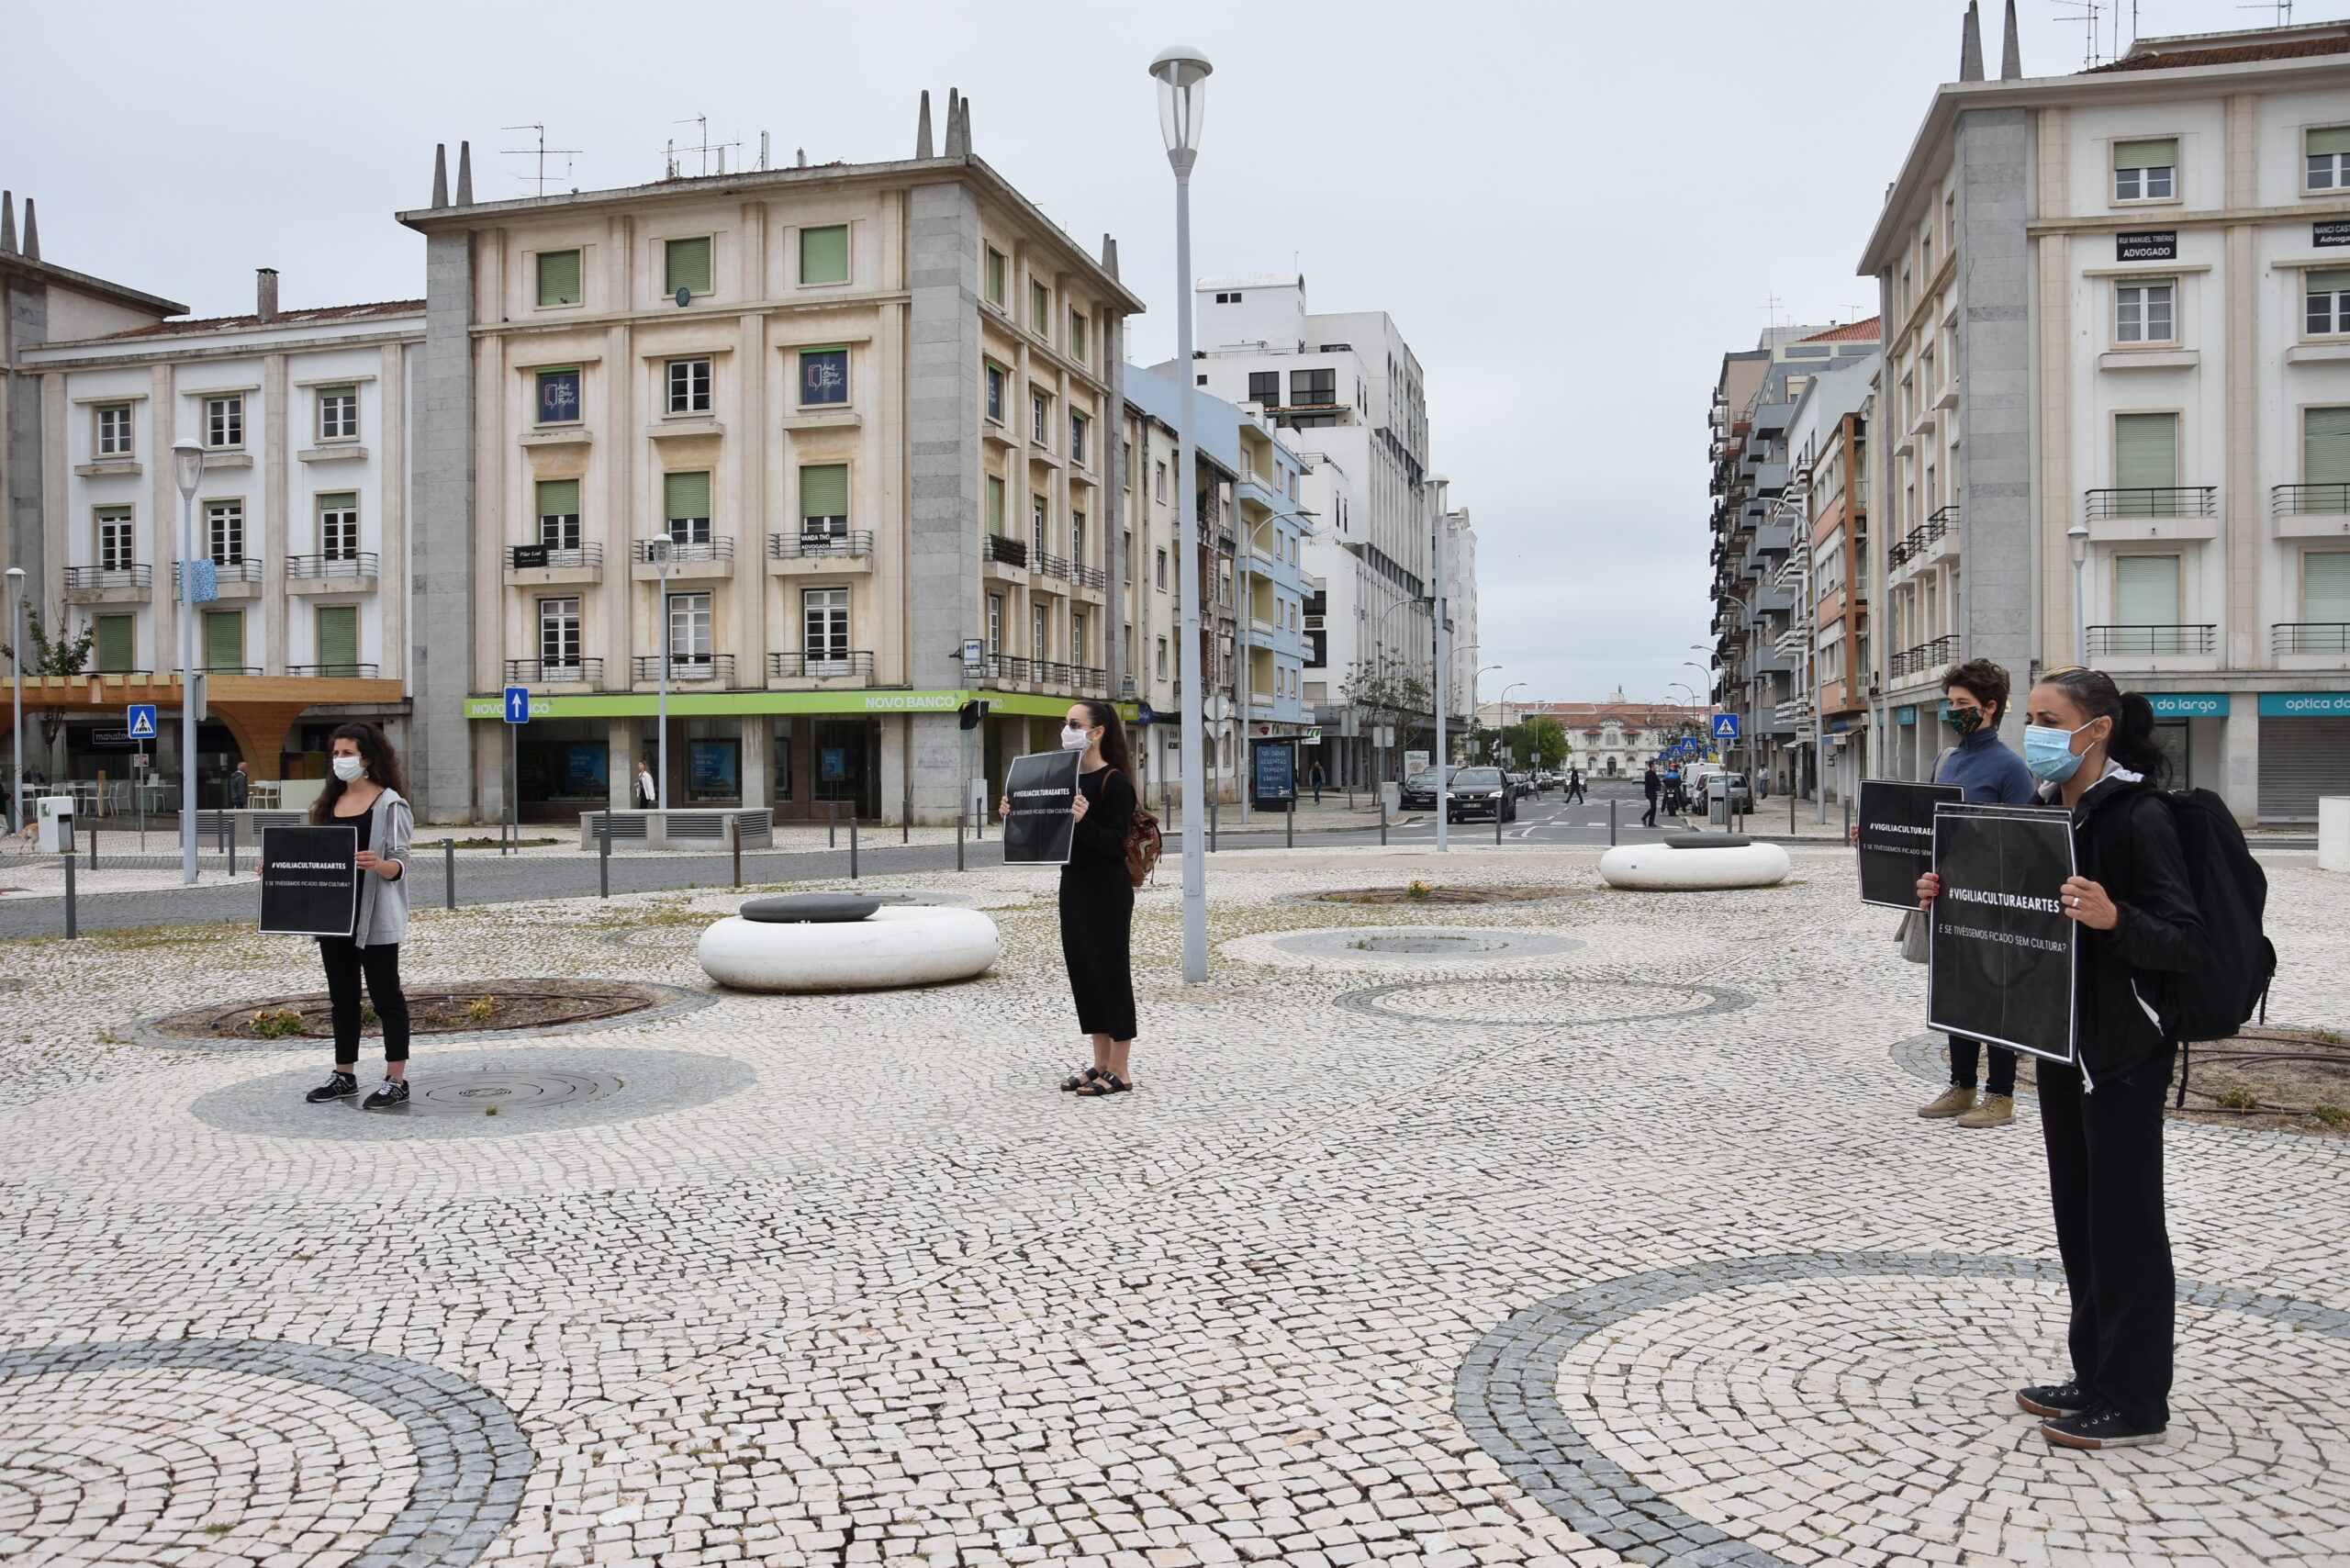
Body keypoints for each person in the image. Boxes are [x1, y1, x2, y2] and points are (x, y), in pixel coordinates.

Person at [1916, 666, 2204, 1451]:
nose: (2033, 733)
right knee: (2080, 1217)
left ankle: (2138, 1398)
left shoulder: (2139, 816)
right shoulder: (2047, 809)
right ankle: (2094, 1372)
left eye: (2047, 717)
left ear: (2096, 728)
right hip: (2058, 1041)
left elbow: (2184, 939)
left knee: (2128, 1223)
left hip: (2122, 1050)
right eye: (2032, 717)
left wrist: (2115, 918)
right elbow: (2020, 909)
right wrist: (1952, 895)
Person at [1915, 659, 2042, 1128]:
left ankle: (2001, 1096)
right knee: (1955, 993)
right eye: (1950, 703)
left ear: (1991, 707)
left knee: (1996, 996)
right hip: (1948, 900)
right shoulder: (1946, 760)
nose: (1953, 711)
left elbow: (2028, 844)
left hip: (1995, 903)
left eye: (1962, 704)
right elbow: (1926, 827)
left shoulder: (2011, 768)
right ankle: (1962, 1085)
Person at [1003, 701, 1138, 1098]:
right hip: (1074, 883)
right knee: (1085, 972)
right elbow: (1041, 834)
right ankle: (1099, 1063)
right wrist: (1014, 814)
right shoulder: (1063, 778)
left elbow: (1115, 845)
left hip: (1107, 888)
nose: (1068, 730)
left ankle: (1121, 1068)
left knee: (1112, 972)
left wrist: (1084, 820)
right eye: (1066, 723)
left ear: (1097, 732)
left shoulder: (1114, 783)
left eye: (1075, 724)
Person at [301, 723, 415, 1111]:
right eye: (334, 754)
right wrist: (279, 868)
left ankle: (396, 1079)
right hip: (334, 917)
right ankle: (344, 1074)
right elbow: (314, 855)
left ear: (366, 758)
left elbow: (401, 865)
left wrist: (379, 864)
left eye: (346, 753)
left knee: (387, 998)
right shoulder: (329, 803)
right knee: (342, 999)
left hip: (375, 916)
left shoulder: (389, 804)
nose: (339, 761)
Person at [1640, 763, 1661, 827]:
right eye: (1655, 765)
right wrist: (1659, 784)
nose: (1656, 766)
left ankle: (1650, 822)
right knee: (1653, 807)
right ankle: (1645, 818)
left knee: (1654, 808)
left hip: (1653, 792)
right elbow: (1654, 782)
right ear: (1652, 765)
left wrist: (1660, 783)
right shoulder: (1649, 773)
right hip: (1649, 792)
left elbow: (1657, 781)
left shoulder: (1653, 773)